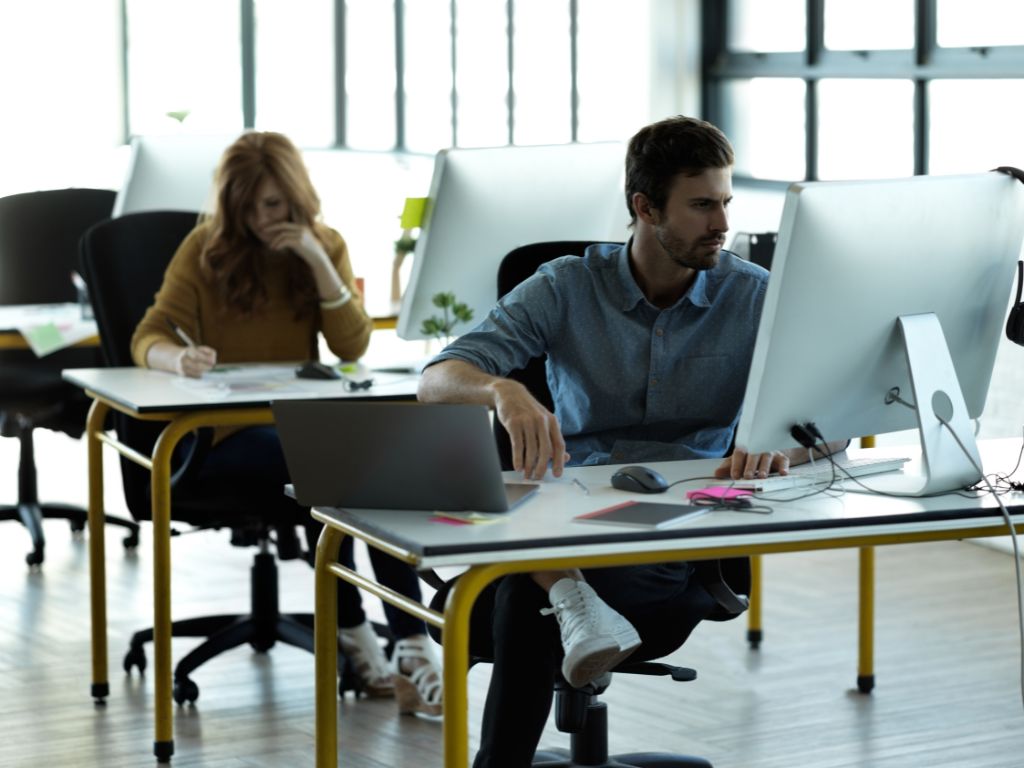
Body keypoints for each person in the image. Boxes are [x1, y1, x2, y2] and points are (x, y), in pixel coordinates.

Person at [418, 115, 839, 766]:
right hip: (575, 516)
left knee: (514, 592)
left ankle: (565, 606)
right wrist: (503, 390)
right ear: (644, 207)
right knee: (522, 575)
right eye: (701, 205)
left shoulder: (754, 296)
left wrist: (779, 450)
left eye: (725, 202)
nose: (722, 223)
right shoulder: (566, 285)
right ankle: (569, 598)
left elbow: (832, 430)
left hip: (681, 526)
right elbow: (439, 380)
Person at [131, 130, 441, 716]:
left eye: (271, 204)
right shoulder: (205, 248)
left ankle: (394, 640)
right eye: (247, 206)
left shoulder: (325, 244)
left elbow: (351, 345)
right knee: (348, 467)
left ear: (296, 196)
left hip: (301, 427)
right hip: (219, 439)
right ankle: (383, 637)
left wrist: (316, 260)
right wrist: (178, 358)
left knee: (364, 467)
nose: (258, 219)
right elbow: (147, 335)